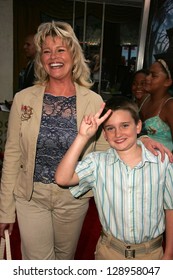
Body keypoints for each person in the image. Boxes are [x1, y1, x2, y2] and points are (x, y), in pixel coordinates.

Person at [0, 21, 172, 260]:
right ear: (41, 58)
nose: (53, 57)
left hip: (73, 197)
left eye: (60, 49)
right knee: (38, 265)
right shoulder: (24, 99)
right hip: (31, 196)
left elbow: (108, 143)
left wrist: (141, 140)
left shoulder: (93, 101)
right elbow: (12, 155)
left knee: (64, 260)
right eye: (46, 51)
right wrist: (5, 211)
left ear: (73, 54)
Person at [55, 96, 173, 260]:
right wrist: (82, 136)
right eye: (110, 128)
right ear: (104, 134)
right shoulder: (97, 163)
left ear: (138, 126)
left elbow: (170, 208)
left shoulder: (161, 162)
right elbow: (62, 178)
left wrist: (169, 253)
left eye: (125, 125)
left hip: (151, 254)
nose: (118, 133)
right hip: (109, 252)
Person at [140, 59, 173, 151]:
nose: (147, 78)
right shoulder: (144, 99)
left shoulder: (170, 106)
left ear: (168, 82)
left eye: (153, 76)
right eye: (148, 74)